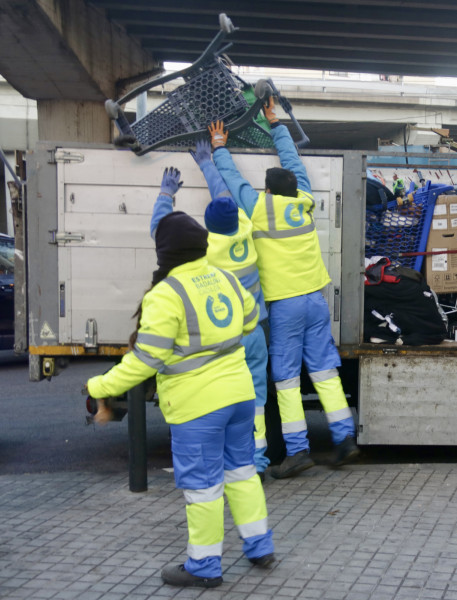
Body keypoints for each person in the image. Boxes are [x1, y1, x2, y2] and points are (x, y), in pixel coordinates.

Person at [86, 169, 274, 588]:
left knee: (203, 489)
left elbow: (144, 361)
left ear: (164, 254)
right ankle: (260, 546)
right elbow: (249, 322)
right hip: (240, 396)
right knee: (241, 473)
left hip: (198, 407)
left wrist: (99, 387)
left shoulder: (165, 295)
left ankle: (204, 567)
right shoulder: (224, 276)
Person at [208, 97, 359, 479]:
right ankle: (345, 439)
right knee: (325, 371)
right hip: (316, 300)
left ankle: (297, 451)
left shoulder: (259, 208)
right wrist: (276, 123)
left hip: (286, 306)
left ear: (269, 192)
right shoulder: (305, 201)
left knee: (287, 379)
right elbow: (294, 164)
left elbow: (232, 180)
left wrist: (219, 147)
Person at [149, 142, 271, 481]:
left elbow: (160, 232)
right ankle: (256, 463)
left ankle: (221, 464)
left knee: (219, 400)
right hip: (256, 334)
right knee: (255, 400)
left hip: (225, 339)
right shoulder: (246, 230)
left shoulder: (206, 250)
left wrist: (166, 194)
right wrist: (208, 163)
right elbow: (224, 196)